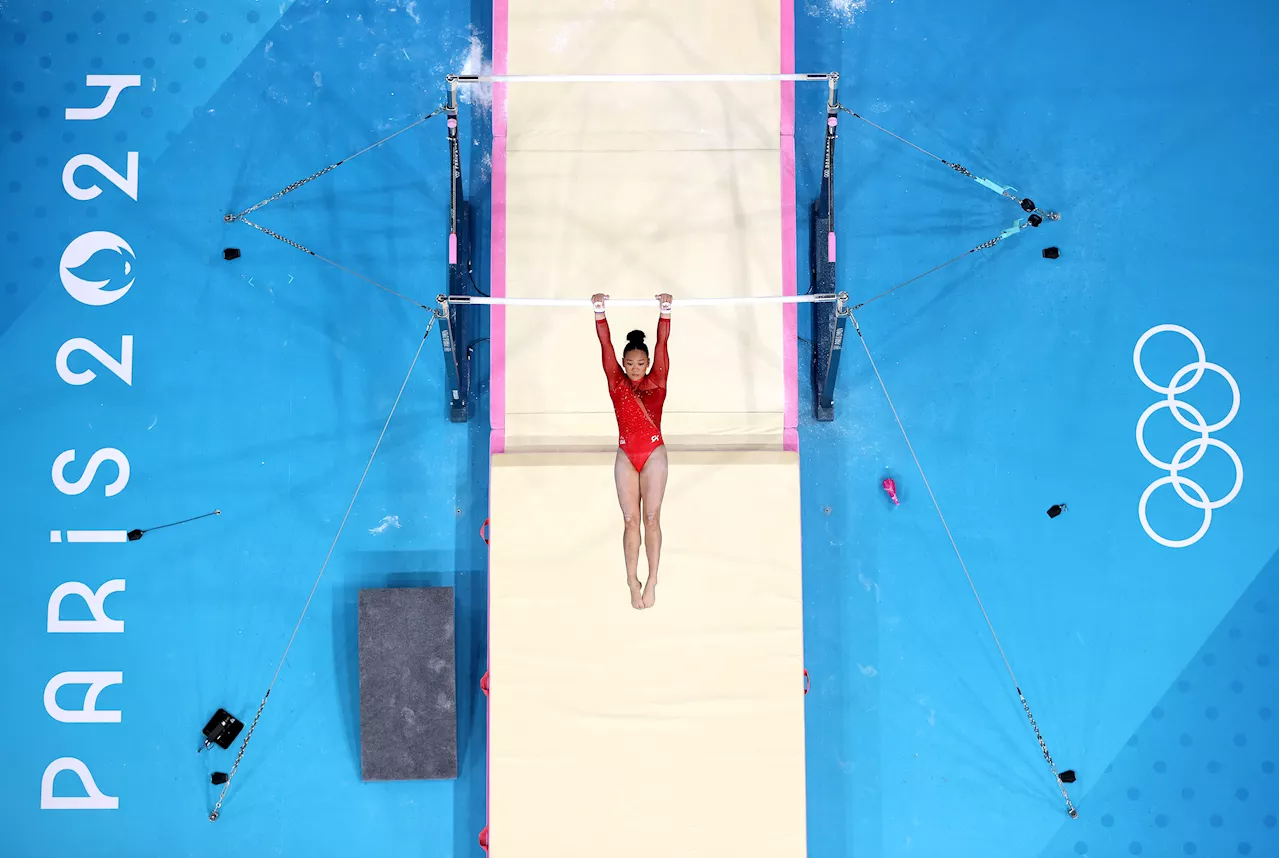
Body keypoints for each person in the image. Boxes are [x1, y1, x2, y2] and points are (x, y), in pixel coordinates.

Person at [592, 291, 672, 609]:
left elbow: (663, 343)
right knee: (629, 520)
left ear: (649, 363)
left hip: (653, 454)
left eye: (641, 363)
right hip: (626, 455)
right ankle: (630, 579)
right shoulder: (616, 382)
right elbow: (605, 346)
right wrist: (599, 312)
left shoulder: (659, 379)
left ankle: (652, 579)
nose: (636, 368)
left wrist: (665, 312)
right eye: (630, 364)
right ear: (623, 365)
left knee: (651, 518)